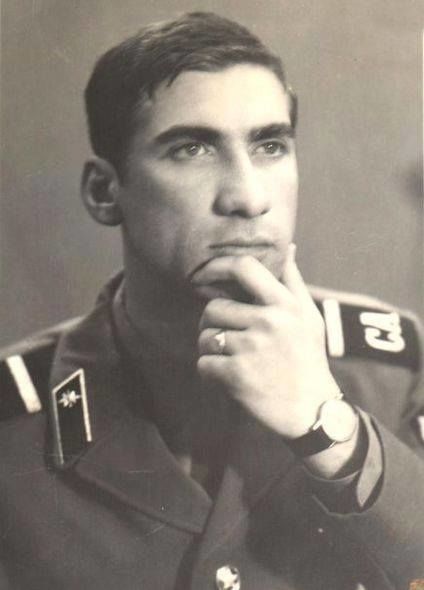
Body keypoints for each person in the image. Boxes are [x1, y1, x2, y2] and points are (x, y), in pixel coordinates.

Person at [0, 11, 423, 590]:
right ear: (104, 192)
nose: (248, 197)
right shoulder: (13, 423)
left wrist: (332, 430)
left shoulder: (394, 370)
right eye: (192, 149)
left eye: (270, 145)